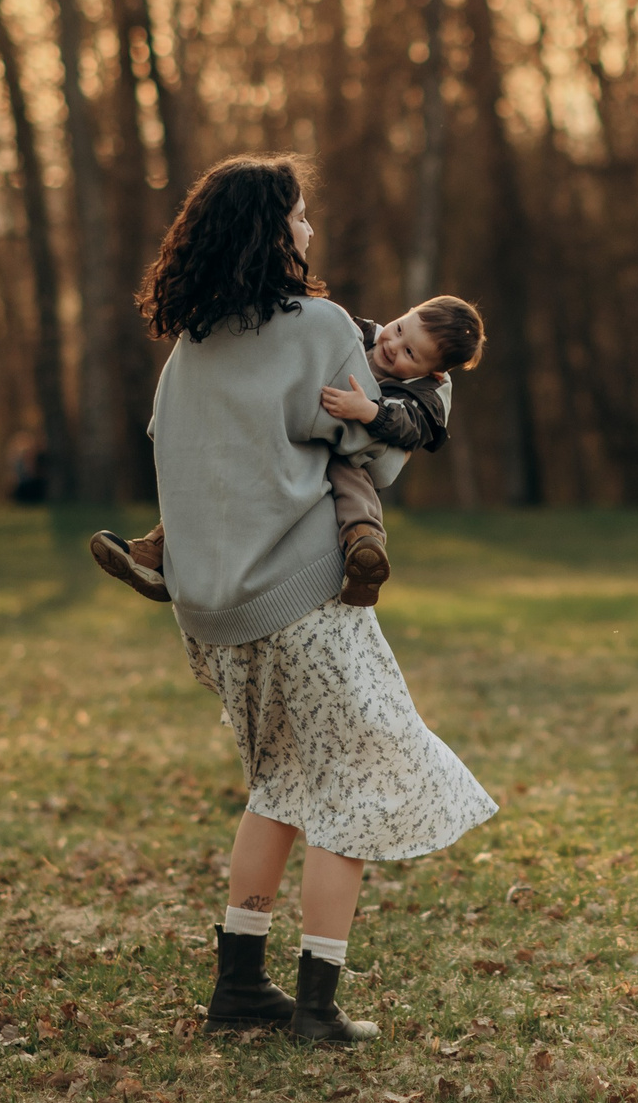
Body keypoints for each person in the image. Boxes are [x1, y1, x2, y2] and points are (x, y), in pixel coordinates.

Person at [129, 154, 495, 1046]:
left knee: (282, 783)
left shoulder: (192, 345)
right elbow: (376, 456)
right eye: (298, 216)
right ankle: (319, 1004)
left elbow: (171, 447)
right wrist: (432, 394)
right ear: (270, 231)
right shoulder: (322, 325)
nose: (310, 229)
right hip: (301, 606)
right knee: (358, 787)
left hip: (209, 615)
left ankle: (239, 987)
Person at [88, 296, 486, 609]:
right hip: (308, 432)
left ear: (433, 372)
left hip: (353, 456)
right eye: (399, 328)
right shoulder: (366, 333)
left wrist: (369, 411)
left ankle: (363, 549)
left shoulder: (429, 394)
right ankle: (159, 548)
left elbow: (412, 425)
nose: (392, 345)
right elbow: (322, 328)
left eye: (410, 353)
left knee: (351, 480)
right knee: (232, 467)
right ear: (405, 313)